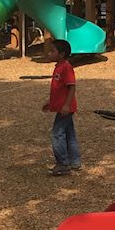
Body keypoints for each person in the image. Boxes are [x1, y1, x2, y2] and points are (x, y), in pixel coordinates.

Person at [43, 39, 81, 175]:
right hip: (61, 107)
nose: (49, 53)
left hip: (66, 109)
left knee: (57, 134)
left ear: (61, 54)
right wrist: (50, 103)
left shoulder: (66, 67)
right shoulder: (58, 67)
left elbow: (71, 87)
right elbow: (59, 89)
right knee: (69, 133)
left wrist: (66, 105)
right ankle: (74, 161)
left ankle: (63, 163)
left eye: (53, 51)